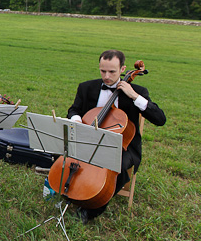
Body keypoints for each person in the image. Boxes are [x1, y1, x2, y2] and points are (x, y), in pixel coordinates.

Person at [67, 49, 166, 223]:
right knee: (61, 150)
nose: (106, 76)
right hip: (89, 140)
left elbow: (160, 119)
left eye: (112, 71)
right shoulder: (86, 87)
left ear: (123, 69)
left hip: (123, 147)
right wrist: (77, 120)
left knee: (115, 165)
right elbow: (74, 109)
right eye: (102, 71)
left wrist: (134, 96)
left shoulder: (137, 90)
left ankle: (91, 209)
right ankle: (69, 190)